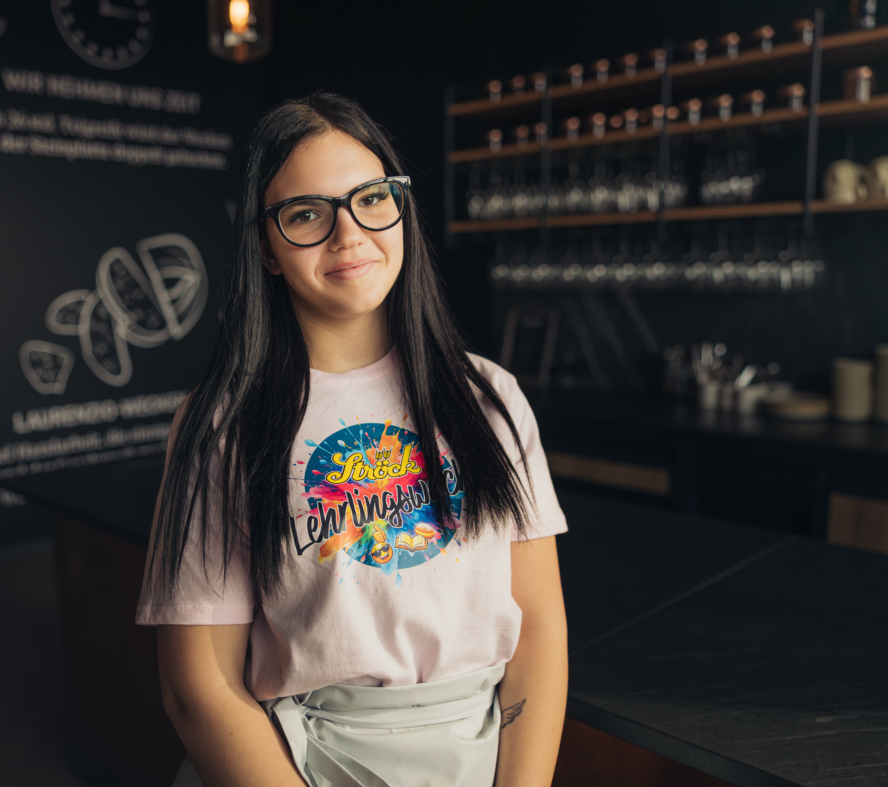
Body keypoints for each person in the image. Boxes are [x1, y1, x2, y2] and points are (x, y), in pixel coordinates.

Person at [137, 91, 568, 787]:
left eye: (371, 198)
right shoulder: (223, 419)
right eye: (307, 214)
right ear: (268, 248)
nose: (349, 235)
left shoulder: (489, 397)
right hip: (303, 763)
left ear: (401, 207)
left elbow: (540, 628)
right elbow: (199, 688)